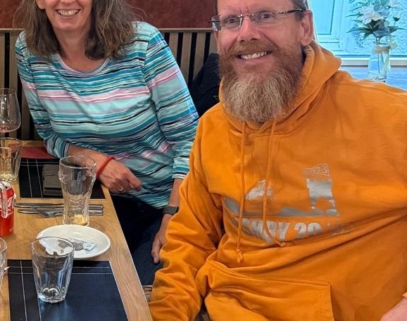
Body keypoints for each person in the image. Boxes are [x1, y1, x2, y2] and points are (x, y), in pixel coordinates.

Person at [149, 0, 407, 320]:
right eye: (231, 21)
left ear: (304, 28)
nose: (245, 33)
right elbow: (189, 242)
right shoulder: (213, 126)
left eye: (265, 16)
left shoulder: (390, 116)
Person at [13, 0, 199, 285]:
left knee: (139, 297)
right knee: (49, 282)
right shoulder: (28, 51)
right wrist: (94, 161)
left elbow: (191, 140)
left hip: (164, 201)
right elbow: (49, 135)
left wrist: (173, 216)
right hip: (95, 202)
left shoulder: (143, 43)